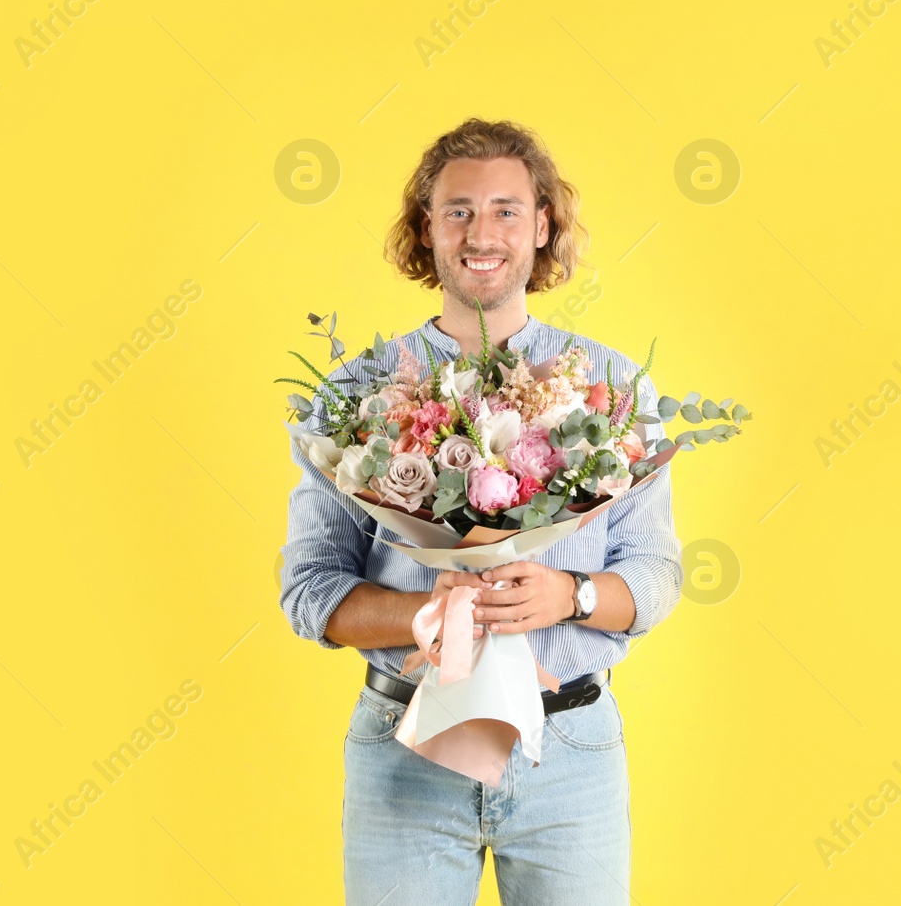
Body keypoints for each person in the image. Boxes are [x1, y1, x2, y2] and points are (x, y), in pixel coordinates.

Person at [279, 117, 683, 905]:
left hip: (569, 748)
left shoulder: (610, 384)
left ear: (542, 225)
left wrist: (572, 596)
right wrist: (422, 613)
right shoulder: (358, 392)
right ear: (425, 229)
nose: (481, 232)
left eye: (506, 209)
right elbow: (310, 591)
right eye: (457, 210)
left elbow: (658, 572)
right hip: (405, 745)